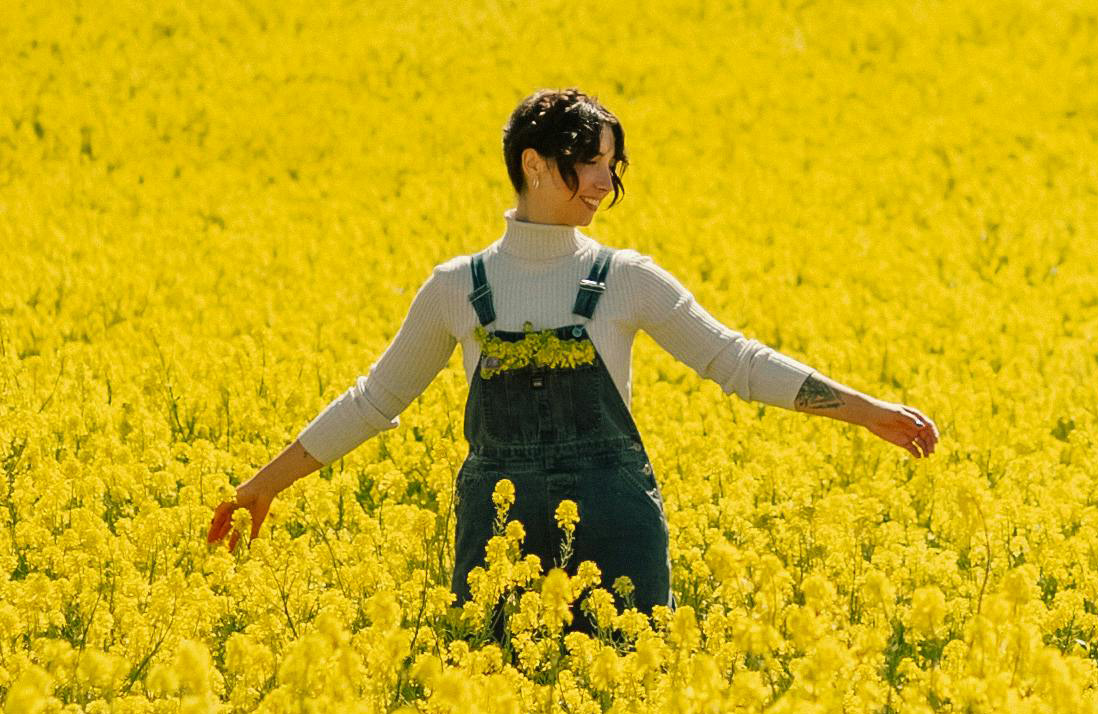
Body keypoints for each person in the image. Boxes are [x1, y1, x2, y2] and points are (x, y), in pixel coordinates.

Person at [206, 87, 940, 642]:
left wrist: (866, 411)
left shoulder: (628, 278)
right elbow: (375, 401)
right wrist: (262, 486)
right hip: (499, 537)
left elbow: (734, 362)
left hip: (617, 529)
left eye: (611, 165)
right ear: (534, 163)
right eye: (589, 161)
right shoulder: (457, 288)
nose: (604, 181)